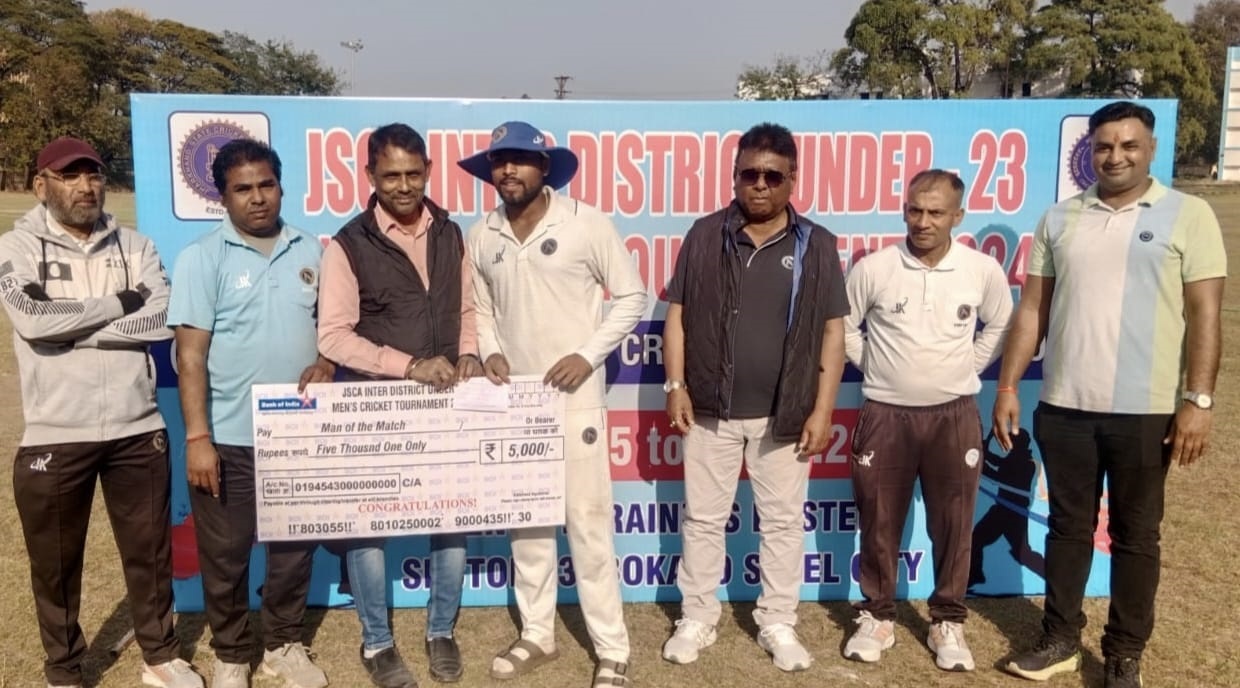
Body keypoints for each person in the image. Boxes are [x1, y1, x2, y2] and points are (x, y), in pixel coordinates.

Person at [993, 101, 1226, 688]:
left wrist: (1198, 400)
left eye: (1128, 145)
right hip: (1065, 406)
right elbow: (1032, 310)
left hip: (1147, 412)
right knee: (1067, 528)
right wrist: (1008, 385)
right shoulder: (1060, 218)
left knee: (1136, 536)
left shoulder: (1189, 215)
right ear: (1090, 151)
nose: (1115, 156)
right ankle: (1059, 640)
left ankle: (1124, 655)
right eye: (1103, 146)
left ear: (1151, 149)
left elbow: (1206, 314)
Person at [0, 137, 203, 688]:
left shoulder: (135, 246)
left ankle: (160, 656)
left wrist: (74, 331)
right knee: (55, 564)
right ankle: (64, 668)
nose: (86, 186)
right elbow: (33, 321)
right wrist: (120, 303)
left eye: (93, 175)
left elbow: (161, 321)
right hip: (55, 432)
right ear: (41, 185)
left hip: (138, 428)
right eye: (70, 176)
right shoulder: (16, 247)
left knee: (149, 555)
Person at [459, 120, 647, 688]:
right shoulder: (482, 233)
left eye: (520, 159)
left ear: (544, 167)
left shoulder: (586, 223)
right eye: (499, 161)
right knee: (528, 526)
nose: (508, 169)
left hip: (575, 399)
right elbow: (482, 308)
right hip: (515, 403)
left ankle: (612, 649)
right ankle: (538, 633)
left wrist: (587, 355)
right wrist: (490, 350)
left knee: (587, 526)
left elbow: (632, 296)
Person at [660, 122, 847, 673]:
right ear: (735, 176)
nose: (760, 184)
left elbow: (833, 333)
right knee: (703, 520)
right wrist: (676, 385)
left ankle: (778, 621)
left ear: (793, 179)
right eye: (750, 174)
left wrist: (823, 410)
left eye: (772, 176)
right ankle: (697, 616)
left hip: (784, 415)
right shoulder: (704, 235)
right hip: (709, 411)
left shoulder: (817, 245)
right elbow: (677, 317)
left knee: (784, 524)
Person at [318, 123, 481, 687]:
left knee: (452, 517)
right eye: (391, 175)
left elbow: (467, 310)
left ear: (429, 170)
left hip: (446, 406)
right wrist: (408, 366)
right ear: (370, 175)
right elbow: (333, 337)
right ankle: (377, 642)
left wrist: (469, 353)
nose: (405, 186)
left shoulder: (451, 233)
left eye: (414, 173)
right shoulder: (348, 245)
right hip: (377, 408)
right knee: (368, 527)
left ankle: (441, 629)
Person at [168, 138, 333, 688]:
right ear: (223, 196)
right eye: (243, 189)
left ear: (281, 187)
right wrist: (198, 438)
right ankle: (232, 654)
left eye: (267, 185)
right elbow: (190, 356)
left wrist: (327, 362)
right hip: (228, 438)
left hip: (297, 435)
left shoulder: (312, 251)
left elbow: (332, 332)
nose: (257, 198)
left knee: (293, 550)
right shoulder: (201, 257)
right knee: (226, 555)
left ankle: (283, 645)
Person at [840, 169, 1013, 671]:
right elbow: (843, 326)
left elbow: (1002, 323)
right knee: (878, 519)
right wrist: (875, 365)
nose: (923, 221)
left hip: (954, 415)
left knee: (954, 523)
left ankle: (947, 621)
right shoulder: (875, 268)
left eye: (936, 212)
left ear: (958, 216)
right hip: (884, 414)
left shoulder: (980, 270)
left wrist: (968, 366)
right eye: (915, 210)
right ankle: (877, 616)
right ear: (904, 211)